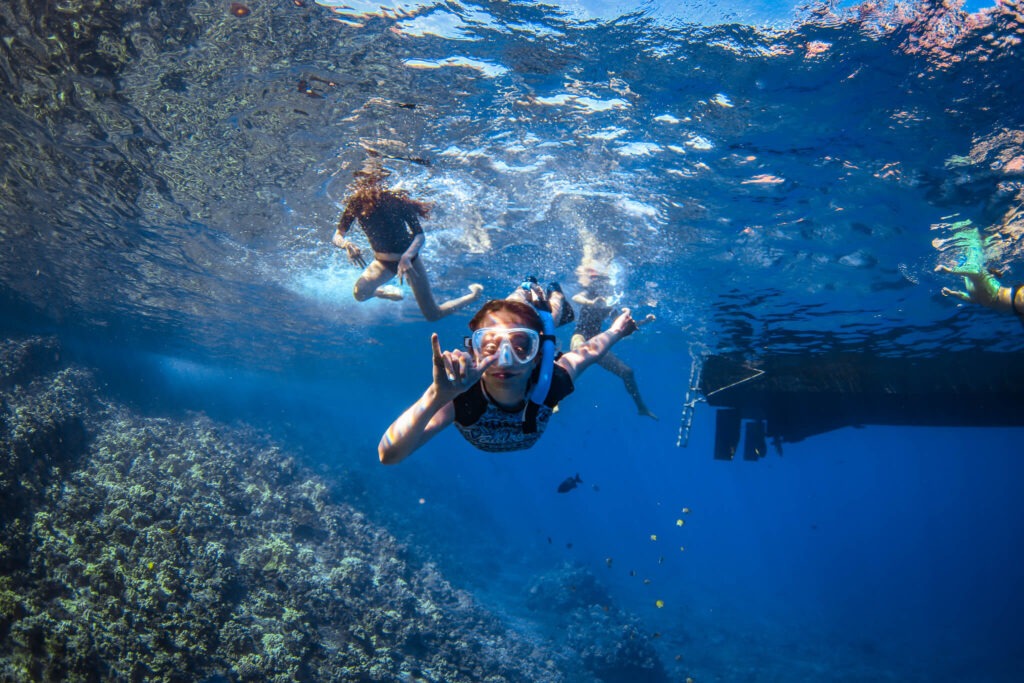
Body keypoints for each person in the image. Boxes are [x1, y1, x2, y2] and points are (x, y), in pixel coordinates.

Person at [377, 280, 642, 463]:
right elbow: (388, 455)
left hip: (542, 346)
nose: (504, 361)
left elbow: (590, 352)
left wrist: (618, 330)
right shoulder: (459, 395)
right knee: (532, 319)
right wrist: (435, 396)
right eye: (490, 347)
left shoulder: (552, 379)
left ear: (537, 356)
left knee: (547, 319)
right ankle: (527, 291)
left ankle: (554, 297)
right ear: (475, 352)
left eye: (520, 348)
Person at [332, 158, 483, 321]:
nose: (374, 185)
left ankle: (474, 295)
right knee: (359, 294)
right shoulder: (356, 203)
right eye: (369, 180)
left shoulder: (396, 200)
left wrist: (407, 257)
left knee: (432, 314)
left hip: (411, 261)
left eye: (377, 180)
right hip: (383, 263)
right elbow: (337, 235)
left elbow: (420, 235)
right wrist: (346, 244)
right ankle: (382, 293)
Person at [571, 265, 658, 419]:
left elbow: (622, 325)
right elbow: (576, 298)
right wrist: (592, 303)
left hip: (597, 343)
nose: (606, 288)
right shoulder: (589, 294)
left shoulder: (609, 306)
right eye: (603, 284)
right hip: (580, 336)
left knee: (627, 372)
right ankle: (552, 395)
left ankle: (641, 407)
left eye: (608, 285)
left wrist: (645, 321)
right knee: (578, 358)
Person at [935, 225, 1024, 318]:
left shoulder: (973, 269)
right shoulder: (970, 281)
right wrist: (952, 293)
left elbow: (975, 272)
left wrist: (949, 271)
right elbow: (971, 299)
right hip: (1015, 306)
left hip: (1014, 298)